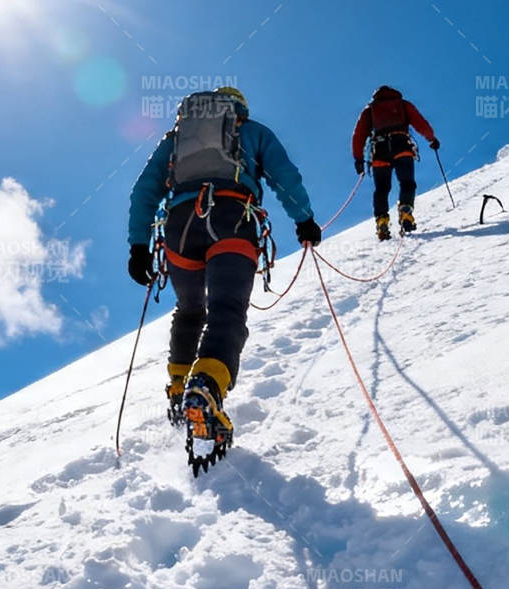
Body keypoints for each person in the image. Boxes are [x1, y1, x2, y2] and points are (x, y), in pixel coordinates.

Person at [126, 86, 320, 469]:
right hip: (233, 218)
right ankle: (207, 388)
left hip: (180, 228)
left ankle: (180, 388)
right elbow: (285, 176)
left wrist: (138, 246)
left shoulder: (177, 138)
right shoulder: (251, 130)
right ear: (239, 109)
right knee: (227, 310)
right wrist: (305, 220)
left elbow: (144, 190)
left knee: (190, 309)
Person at [351, 85, 439, 241]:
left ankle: (382, 221)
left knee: (382, 189)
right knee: (407, 183)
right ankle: (406, 212)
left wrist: (358, 159)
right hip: (402, 148)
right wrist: (431, 139)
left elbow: (359, 135)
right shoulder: (403, 105)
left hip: (379, 152)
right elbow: (420, 122)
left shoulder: (370, 110)